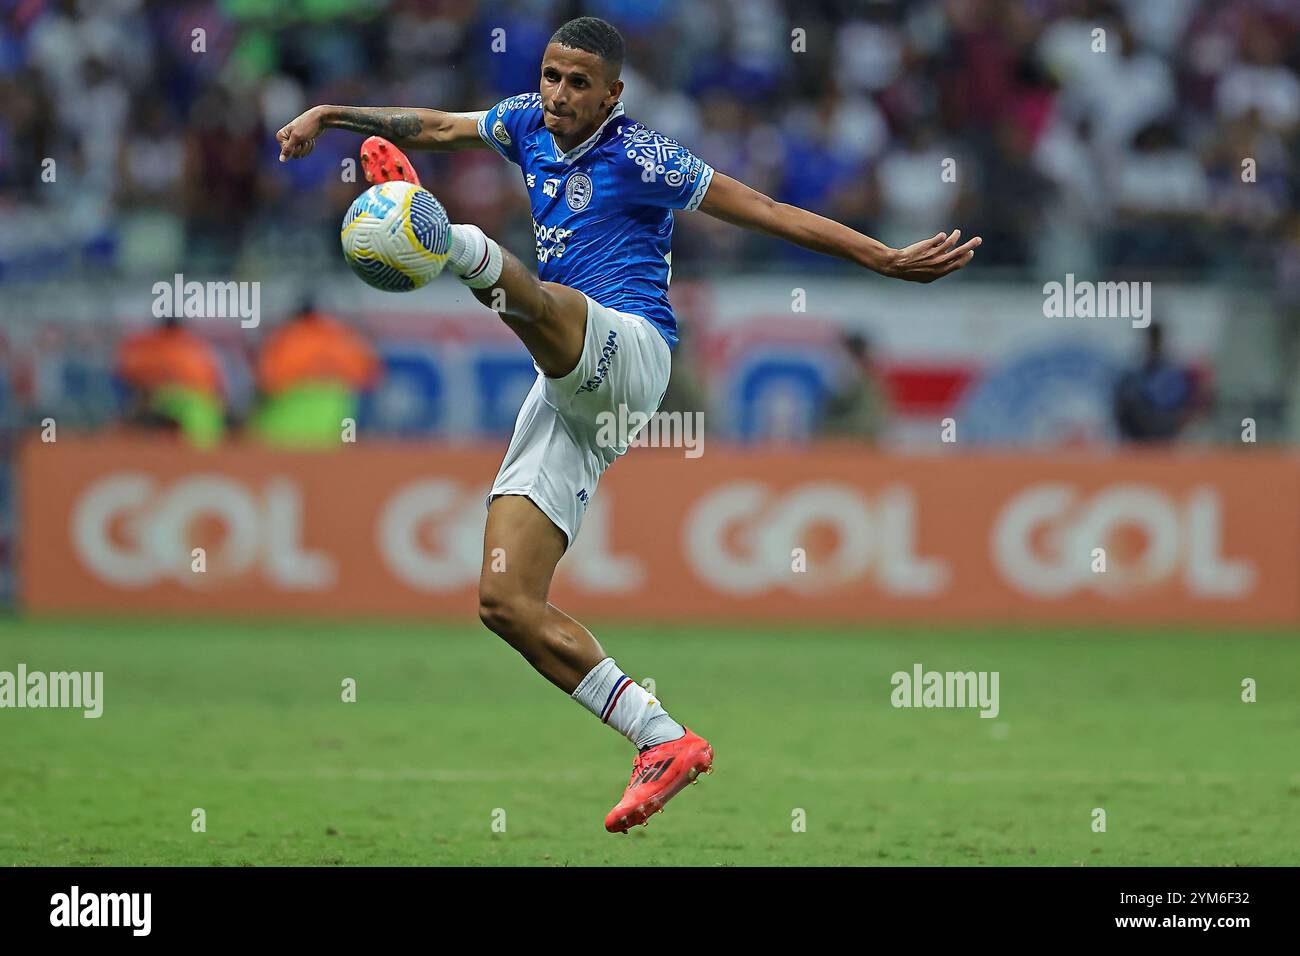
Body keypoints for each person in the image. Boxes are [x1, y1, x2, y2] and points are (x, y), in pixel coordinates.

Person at [276, 16, 980, 832]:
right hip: (569, 392)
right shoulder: (523, 125)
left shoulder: (643, 155)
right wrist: (331, 114)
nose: (559, 94)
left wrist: (885, 259)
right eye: (550, 76)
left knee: (538, 302)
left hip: (632, 347)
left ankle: (446, 239)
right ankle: (663, 739)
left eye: (579, 83)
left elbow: (765, 208)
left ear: (613, 94)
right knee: (504, 599)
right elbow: (434, 125)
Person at [252, 300, 380, 448]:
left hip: (290, 411)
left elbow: (267, 378)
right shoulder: (343, 336)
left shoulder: (286, 336)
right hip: (334, 411)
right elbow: (370, 375)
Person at [115, 316, 225, 449]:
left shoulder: (152, 346)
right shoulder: (196, 346)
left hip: (180, 406)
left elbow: (130, 371)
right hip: (204, 410)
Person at [1113, 321, 1199, 443]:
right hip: (1137, 442)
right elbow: (1122, 412)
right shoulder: (1133, 377)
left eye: (1156, 339)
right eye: (1150, 339)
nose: (1153, 344)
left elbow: (1186, 409)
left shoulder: (1174, 375)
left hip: (1166, 442)